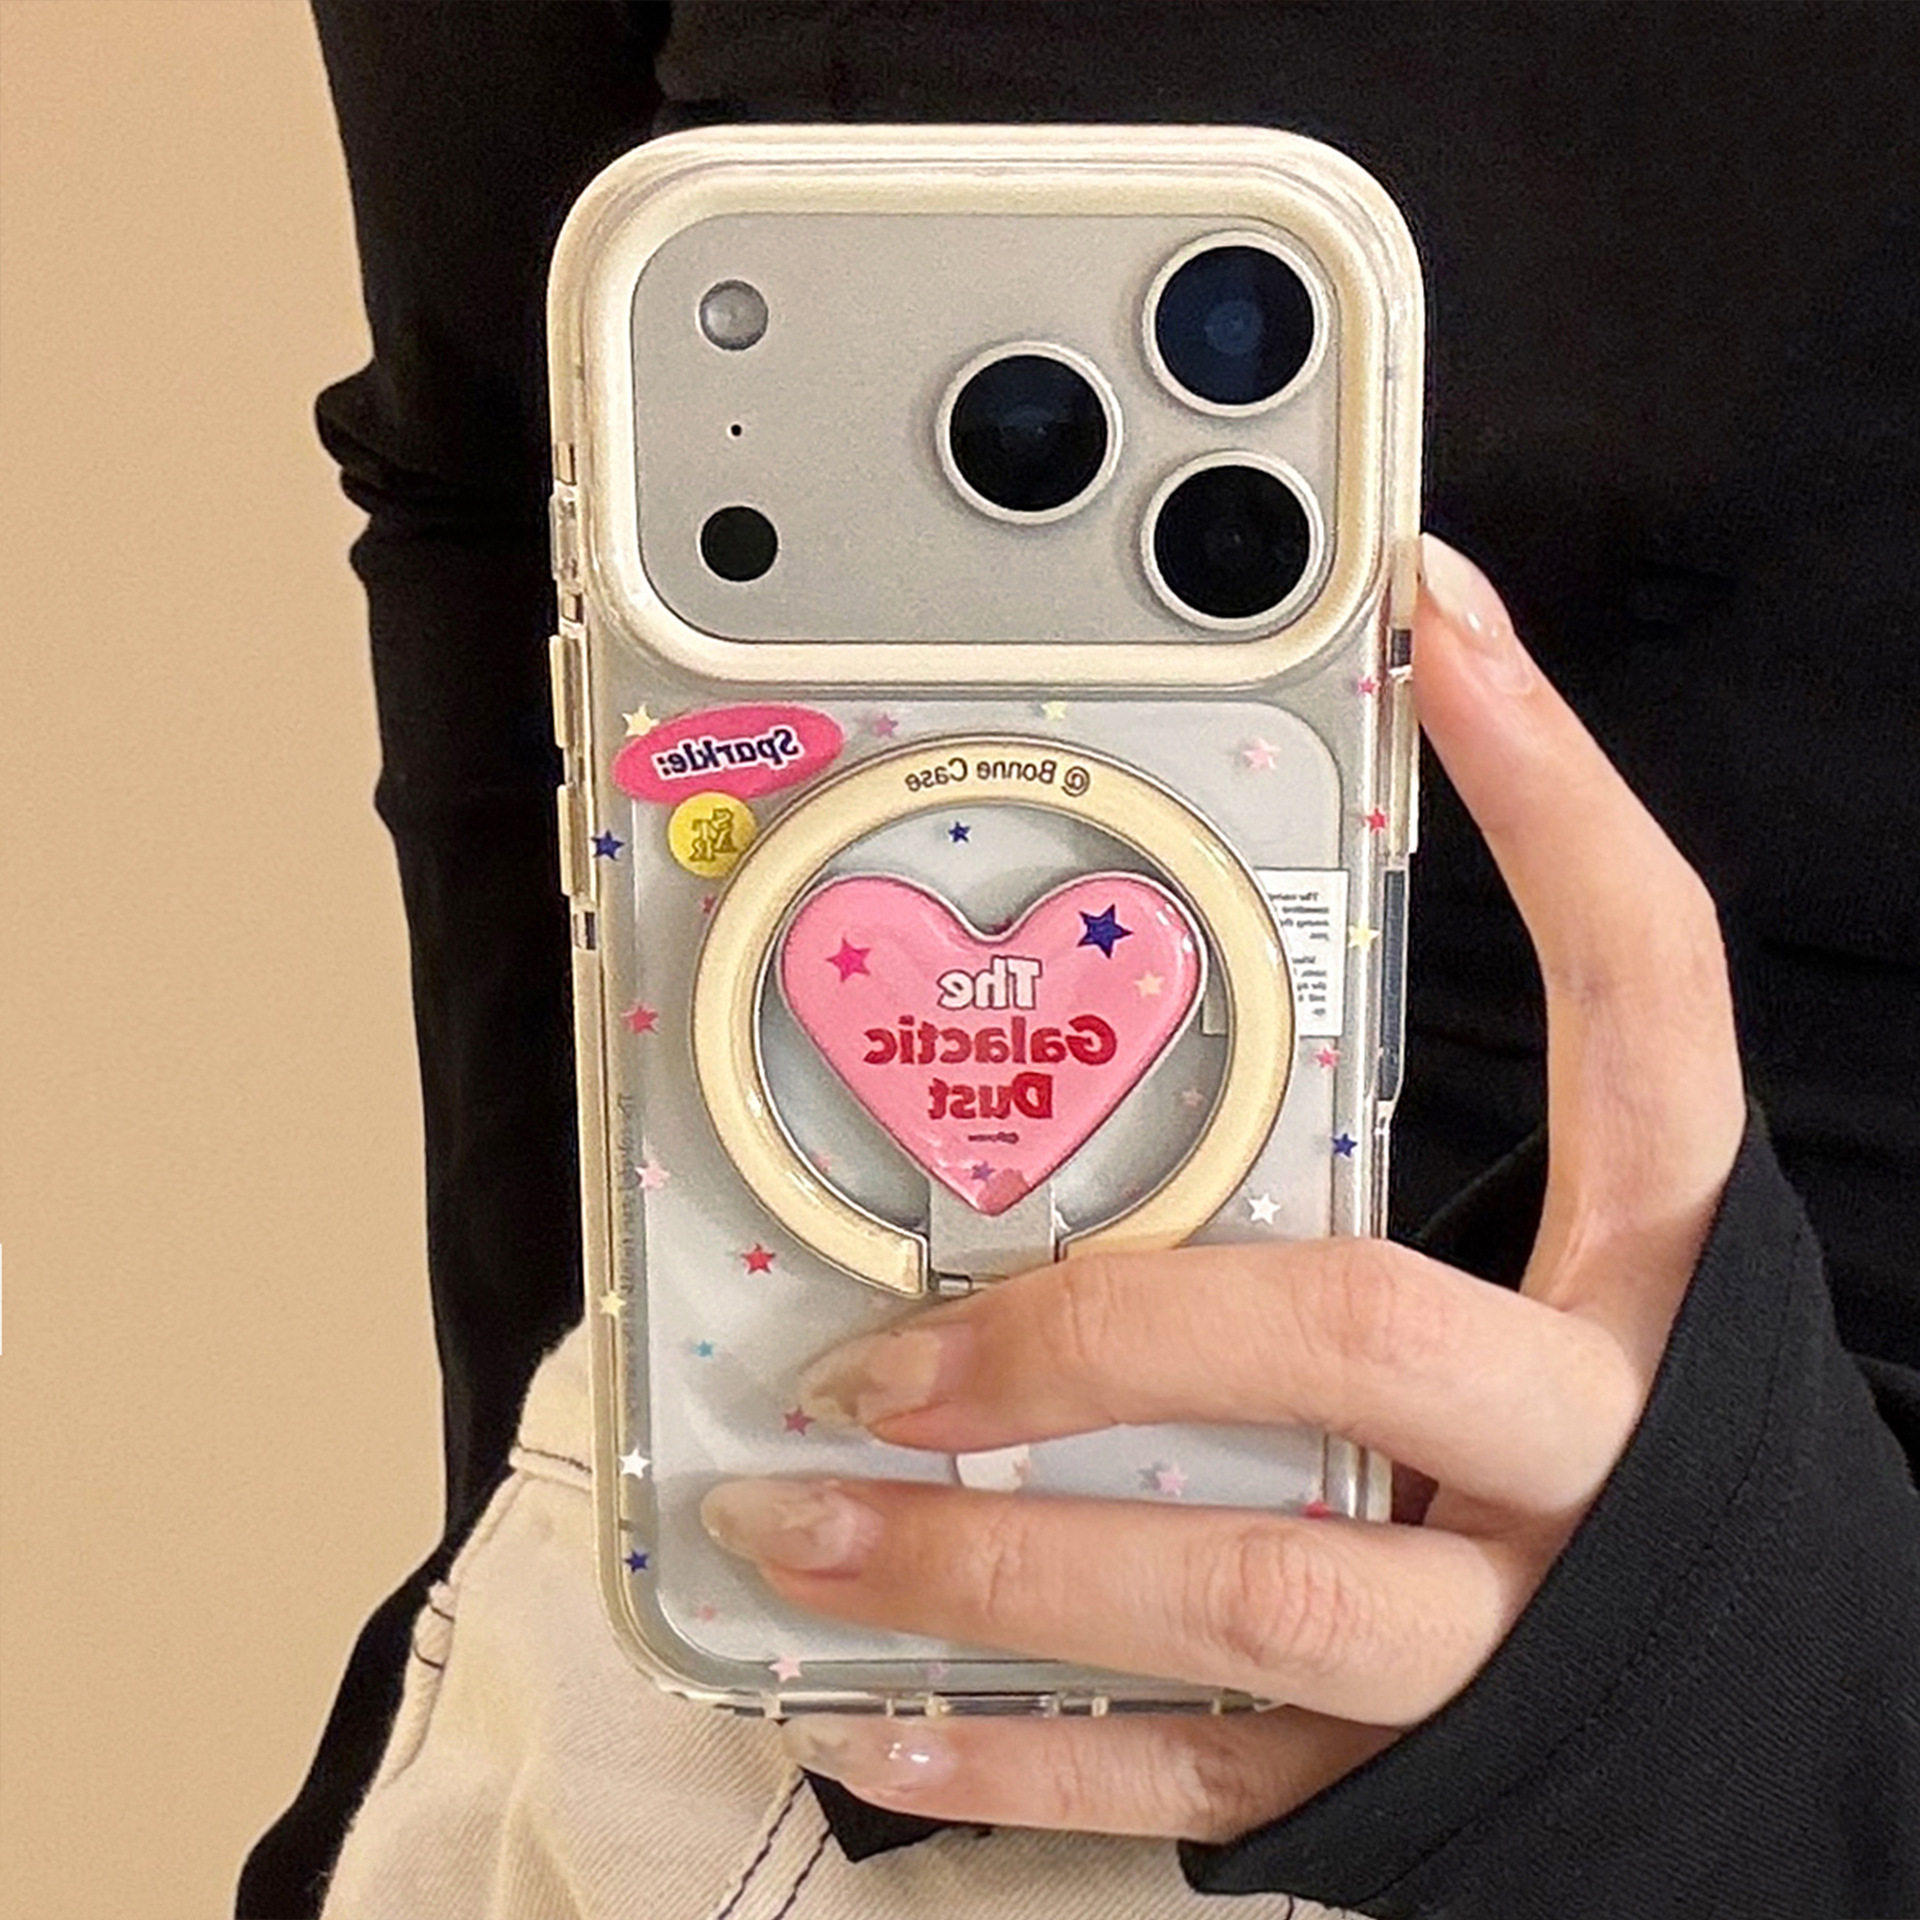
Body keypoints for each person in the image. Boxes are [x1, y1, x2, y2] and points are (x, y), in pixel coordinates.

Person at [239, 5, 1920, 1917]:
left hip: (1761, 1721)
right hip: (744, 1659)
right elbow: (488, 474)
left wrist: (1799, 1714)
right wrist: (595, 1446)